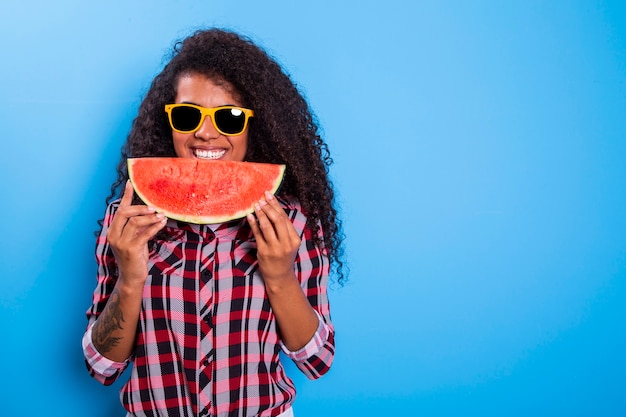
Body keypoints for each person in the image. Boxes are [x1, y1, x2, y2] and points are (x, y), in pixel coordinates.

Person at [82, 28, 345, 417]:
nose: (205, 132)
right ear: (168, 121)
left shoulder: (290, 220)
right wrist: (130, 278)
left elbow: (317, 360)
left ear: (256, 123)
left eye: (230, 116)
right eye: (188, 115)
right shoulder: (129, 220)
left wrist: (279, 276)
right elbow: (102, 367)